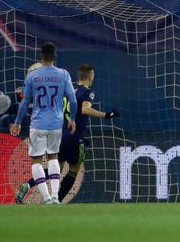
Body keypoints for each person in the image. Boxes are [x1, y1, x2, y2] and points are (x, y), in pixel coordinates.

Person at [14, 64, 119, 203]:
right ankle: (57, 200)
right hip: (75, 137)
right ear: (91, 76)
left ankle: (28, 184)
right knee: (73, 170)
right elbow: (85, 109)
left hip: (58, 135)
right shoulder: (87, 92)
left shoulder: (66, 90)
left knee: (56, 167)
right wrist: (106, 115)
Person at [10, 42, 77, 204]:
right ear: (55, 56)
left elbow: (25, 103)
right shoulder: (63, 74)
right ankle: (55, 197)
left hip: (38, 124)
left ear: (41, 56)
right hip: (56, 123)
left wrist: (17, 122)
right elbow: (73, 100)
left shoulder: (32, 76)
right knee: (54, 158)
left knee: (37, 161)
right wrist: (72, 119)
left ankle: (46, 198)